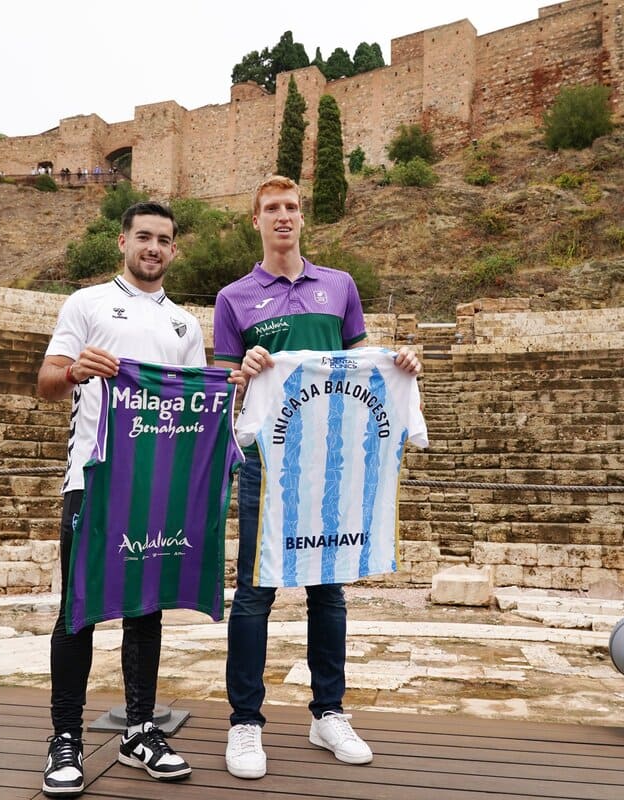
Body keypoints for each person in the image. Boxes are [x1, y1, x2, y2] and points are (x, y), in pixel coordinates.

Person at [212, 175, 420, 779]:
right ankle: (245, 723)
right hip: (267, 469)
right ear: (256, 220)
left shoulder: (340, 286)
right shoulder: (234, 299)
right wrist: (245, 371)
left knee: (329, 589)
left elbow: (362, 367)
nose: (284, 217)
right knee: (255, 594)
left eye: (293, 207)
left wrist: (401, 362)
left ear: (304, 218)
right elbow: (226, 391)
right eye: (272, 209)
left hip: (333, 464)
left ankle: (328, 711)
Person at [37, 201, 203, 796]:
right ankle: (66, 739)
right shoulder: (84, 304)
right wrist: (77, 370)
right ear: (122, 242)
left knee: (146, 608)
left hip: (155, 487)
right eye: (143, 237)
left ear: (174, 249)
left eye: (163, 239)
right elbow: (47, 381)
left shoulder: (187, 324)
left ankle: (139, 730)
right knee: (76, 611)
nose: (152, 248)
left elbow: (195, 408)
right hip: (93, 479)